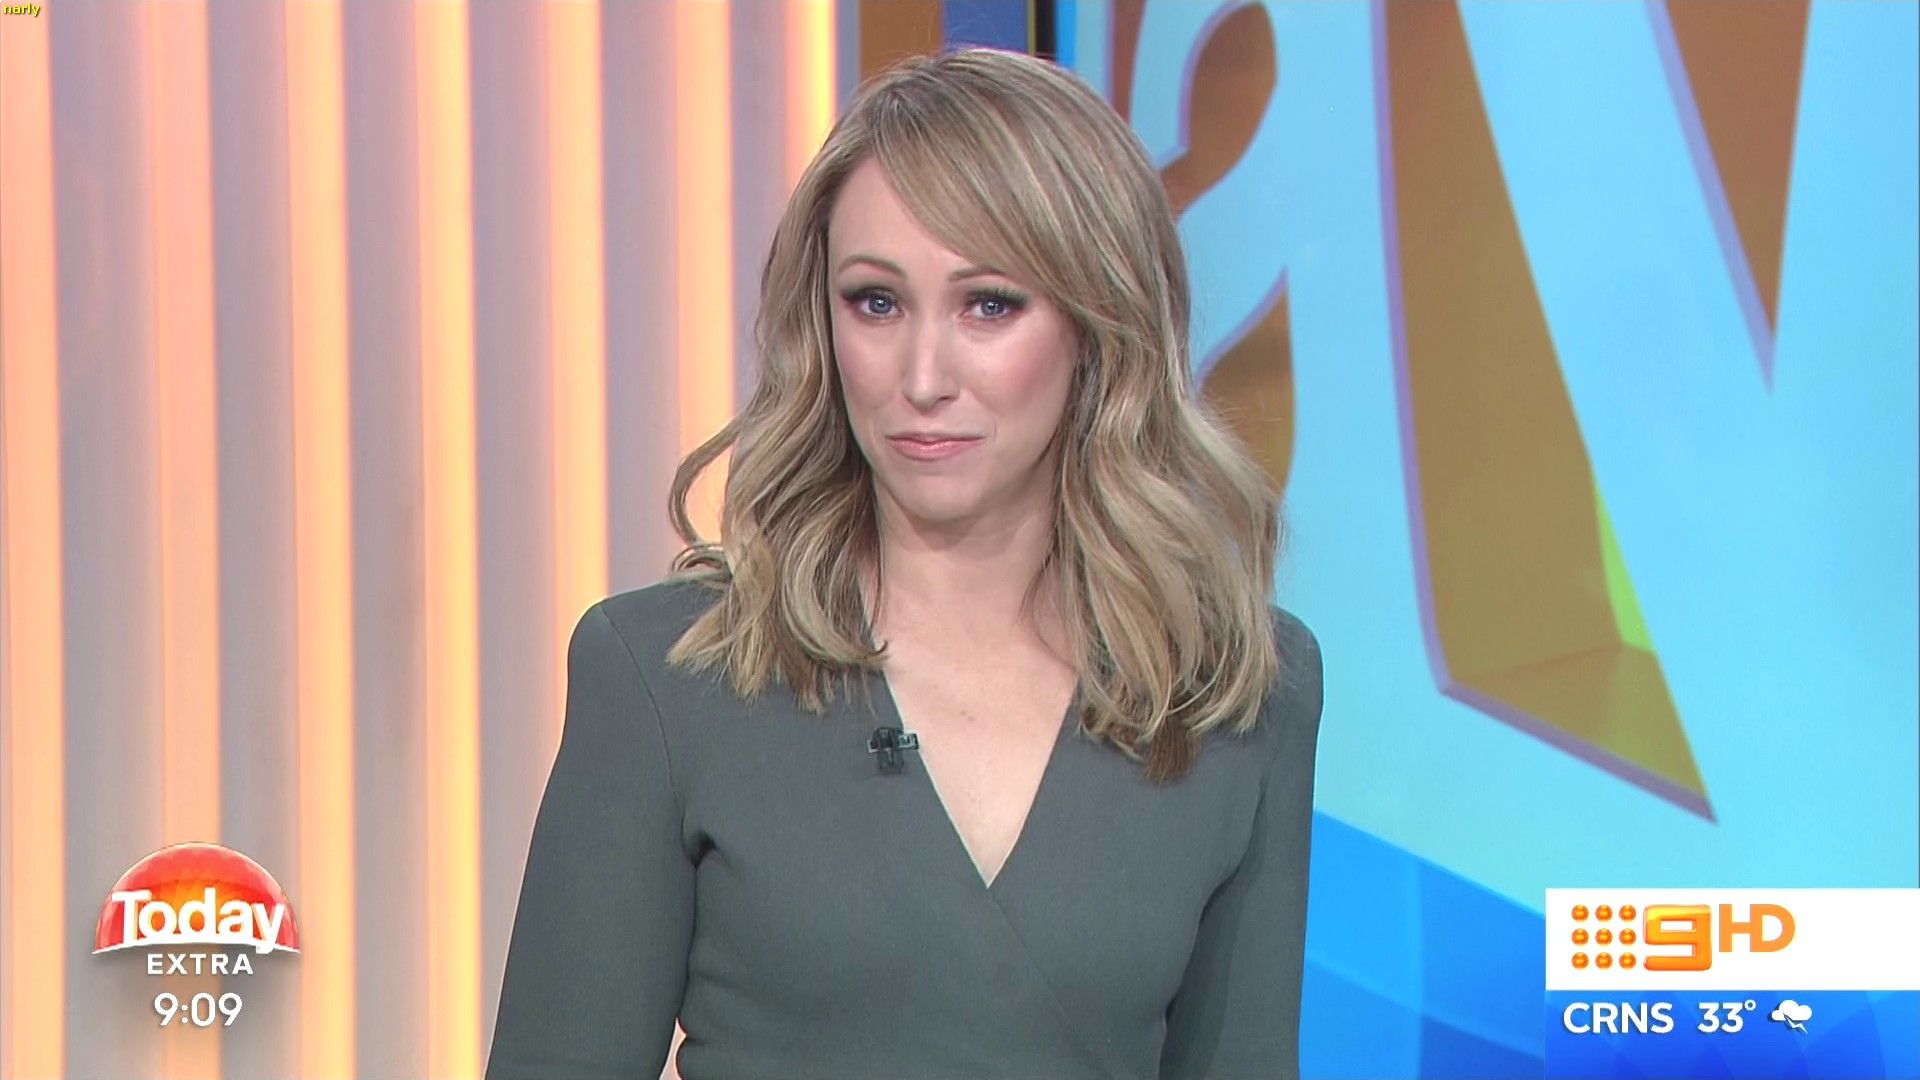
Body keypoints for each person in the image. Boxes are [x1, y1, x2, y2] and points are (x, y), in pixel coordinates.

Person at [487, 46, 1323, 1080]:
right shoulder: (669, 676)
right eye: (876, 302)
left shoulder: (1235, 687)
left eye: (989, 305)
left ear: (1101, 329)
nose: (923, 378)